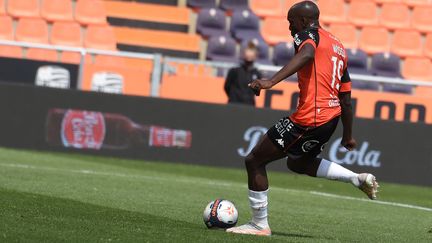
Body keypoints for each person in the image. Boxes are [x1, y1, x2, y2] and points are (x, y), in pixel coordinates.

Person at [226, 1, 379, 236]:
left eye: (291, 22)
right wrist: (347, 135)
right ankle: (356, 179)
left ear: (305, 21)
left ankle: (259, 224)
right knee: (298, 162)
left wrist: (269, 82)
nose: (290, 28)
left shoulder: (307, 35)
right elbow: (346, 98)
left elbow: (307, 53)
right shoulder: (338, 46)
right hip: (330, 119)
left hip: (310, 117)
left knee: (254, 160)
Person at [224, 42, 262, 106]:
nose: (249, 55)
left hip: (249, 105)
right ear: (243, 55)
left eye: (252, 53)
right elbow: (226, 87)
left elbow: (257, 92)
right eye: (248, 53)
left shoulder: (257, 73)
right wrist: (233, 98)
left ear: (255, 56)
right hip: (234, 104)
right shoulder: (234, 71)